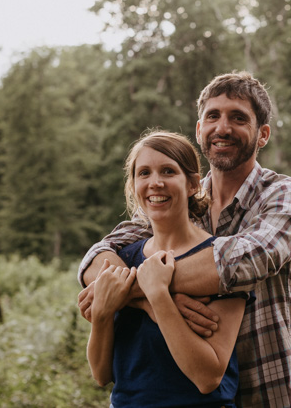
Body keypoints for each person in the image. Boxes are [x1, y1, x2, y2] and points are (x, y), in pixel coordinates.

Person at [79, 72, 291, 408]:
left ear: (263, 135)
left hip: (267, 391)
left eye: (238, 117)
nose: (223, 127)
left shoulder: (285, 196)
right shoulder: (178, 201)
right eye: (212, 116)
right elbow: (101, 253)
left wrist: (132, 290)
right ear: (199, 129)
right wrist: (145, 297)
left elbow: (244, 261)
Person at [86, 131, 248, 408]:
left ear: (192, 184)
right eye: (144, 173)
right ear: (133, 185)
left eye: (168, 171)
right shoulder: (124, 260)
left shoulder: (218, 261)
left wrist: (159, 295)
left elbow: (207, 378)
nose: (155, 183)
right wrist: (102, 314)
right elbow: (102, 375)